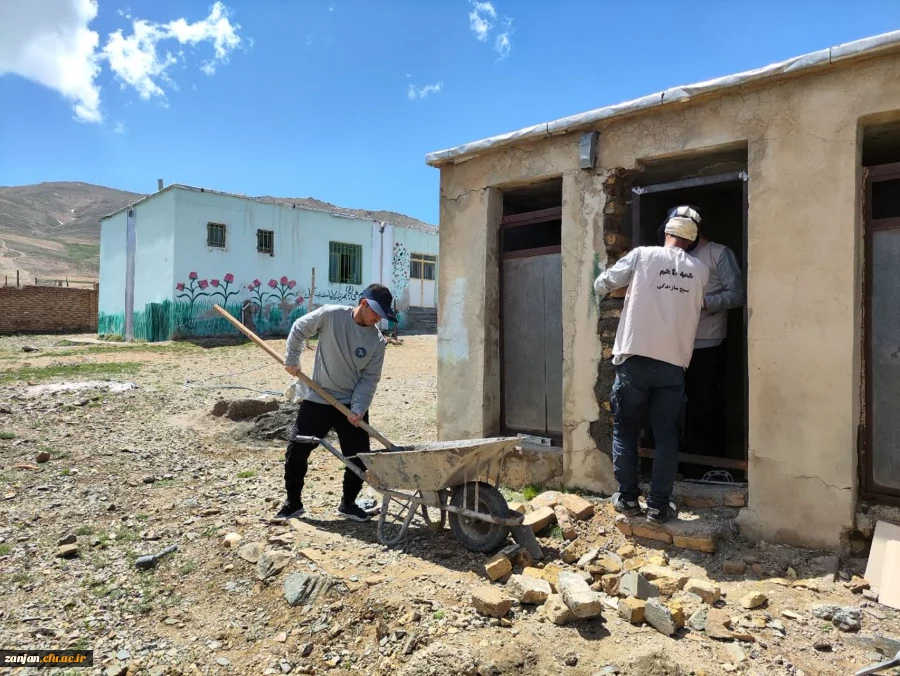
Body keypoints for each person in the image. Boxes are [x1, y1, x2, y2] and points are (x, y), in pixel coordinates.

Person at [593, 206, 709, 523]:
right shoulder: (700, 270)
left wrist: (627, 290)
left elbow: (603, 283)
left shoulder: (643, 255)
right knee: (667, 437)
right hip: (673, 365)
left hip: (635, 360)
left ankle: (628, 501)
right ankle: (659, 506)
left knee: (627, 433)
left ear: (666, 231)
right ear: (693, 239)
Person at [274, 283, 396, 522]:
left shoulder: (377, 342)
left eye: (382, 315)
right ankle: (293, 503)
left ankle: (348, 504)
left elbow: (369, 378)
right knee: (297, 450)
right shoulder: (331, 315)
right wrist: (292, 359)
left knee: (359, 457)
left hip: (350, 405)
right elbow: (300, 328)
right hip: (317, 398)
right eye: (375, 313)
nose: (378, 319)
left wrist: (359, 408)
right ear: (363, 304)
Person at [684, 211, 745, 458]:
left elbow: (738, 294)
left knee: (705, 405)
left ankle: (708, 463)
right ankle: (684, 463)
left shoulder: (719, 253)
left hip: (709, 342)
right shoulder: (678, 256)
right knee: (679, 406)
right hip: (676, 342)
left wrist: (704, 303)